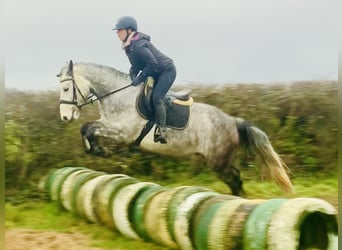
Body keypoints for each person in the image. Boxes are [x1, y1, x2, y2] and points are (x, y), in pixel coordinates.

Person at [113, 16, 176, 144]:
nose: (117, 33)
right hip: (155, 72)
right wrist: (133, 74)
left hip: (166, 71)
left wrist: (140, 78)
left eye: (120, 30)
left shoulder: (139, 45)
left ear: (129, 31)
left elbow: (153, 63)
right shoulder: (129, 47)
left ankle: (162, 131)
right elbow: (137, 64)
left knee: (157, 98)